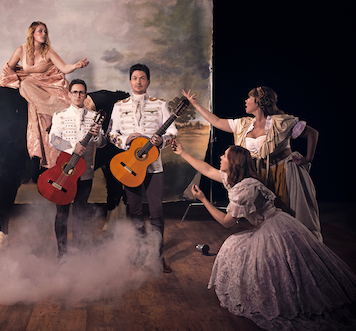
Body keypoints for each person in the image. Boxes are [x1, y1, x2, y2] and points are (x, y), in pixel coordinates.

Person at [172, 140, 356, 331]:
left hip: (274, 229)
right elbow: (208, 170)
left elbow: (226, 222)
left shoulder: (246, 189)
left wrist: (203, 199)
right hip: (269, 225)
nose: (220, 157)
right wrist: (183, 153)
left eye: (224, 156)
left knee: (250, 254)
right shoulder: (236, 179)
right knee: (235, 247)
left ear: (234, 162)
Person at [182, 86, 322, 240]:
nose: (246, 101)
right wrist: (195, 104)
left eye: (249, 98)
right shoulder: (244, 124)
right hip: (261, 175)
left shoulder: (281, 122)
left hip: (284, 173)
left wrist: (307, 158)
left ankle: (300, 249)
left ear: (259, 101)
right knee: (270, 218)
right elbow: (216, 121)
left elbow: (312, 133)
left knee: (292, 215)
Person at [108, 64, 177, 273]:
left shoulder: (160, 104)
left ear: (148, 81)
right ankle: (139, 252)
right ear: (130, 82)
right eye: (135, 78)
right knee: (135, 210)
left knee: (157, 211)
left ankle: (158, 256)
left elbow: (172, 131)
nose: (138, 82)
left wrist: (162, 140)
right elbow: (111, 134)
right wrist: (124, 140)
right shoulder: (119, 106)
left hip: (154, 167)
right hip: (129, 166)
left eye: (143, 78)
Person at [0, 21, 92, 168]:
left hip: (50, 84)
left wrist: (76, 66)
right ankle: (46, 115)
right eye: (40, 31)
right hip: (31, 84)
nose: (44, 34)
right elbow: (8, 67)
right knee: (25, 84)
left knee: (28, 86)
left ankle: (48, 115)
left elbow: (64, 68)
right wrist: (11, 79)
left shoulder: (48, 51)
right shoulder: (21, 49)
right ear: (32, 33)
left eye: (45, 31)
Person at [48, 79, 106, 259]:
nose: (78, 95)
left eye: (81, 92)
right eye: (75, 92)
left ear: (86, 95)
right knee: (62, 213)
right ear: (69, 94)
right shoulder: (60, 115)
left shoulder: (94, 116)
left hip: (86, 173)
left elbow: (102, 143)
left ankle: (77, 251)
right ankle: (62, 253)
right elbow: (53, 139)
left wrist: (97, 136)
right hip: (64, 172)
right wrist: (73, 147)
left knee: (80, 213)